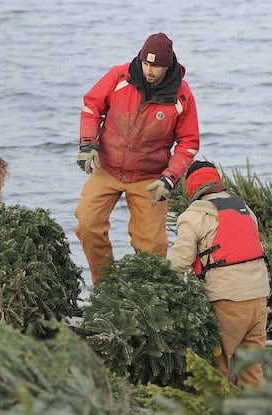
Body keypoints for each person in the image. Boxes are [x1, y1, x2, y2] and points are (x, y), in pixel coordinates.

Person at [75, 32, 200, 285]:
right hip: (107, 168)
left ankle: (145, 296)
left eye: (155, 66)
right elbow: (92, 108)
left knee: (151, 246)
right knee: (87, 225)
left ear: (168, 65)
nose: (149, 70)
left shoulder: (182, 96)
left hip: (150, 178)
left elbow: (188, 143)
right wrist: (88, 144)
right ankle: (104, 286)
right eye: (145, 63)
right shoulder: (119, 77)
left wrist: (170, 179)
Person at [168, 161, 270, 389]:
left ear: (191, 187)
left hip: (227, 302)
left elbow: (179, 263)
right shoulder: (245, 209)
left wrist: (165, 293)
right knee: (252, 370)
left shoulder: (193, 216)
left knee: (216, 369)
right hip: (259, 297)